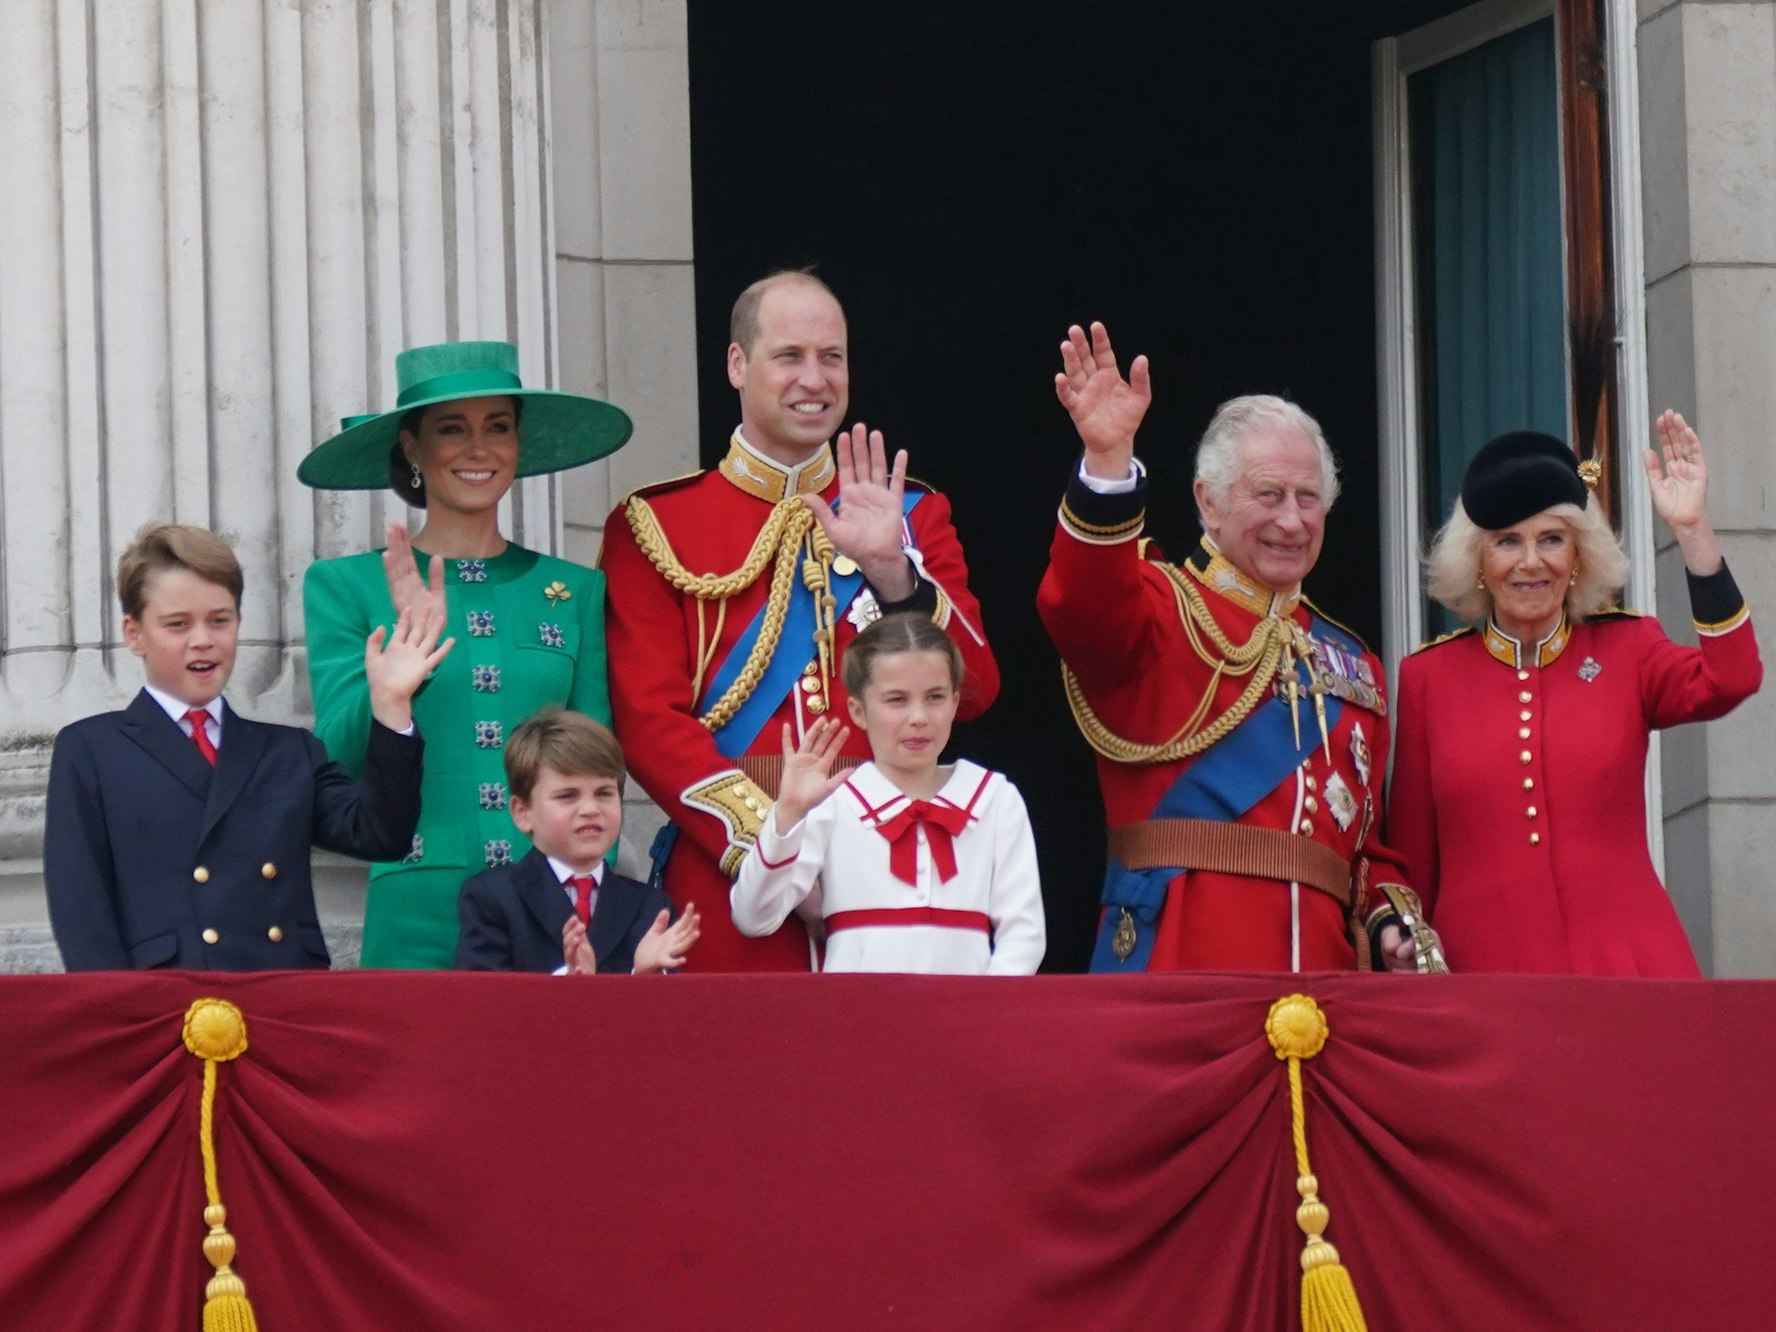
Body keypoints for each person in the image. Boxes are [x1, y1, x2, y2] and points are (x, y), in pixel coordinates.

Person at [601, 270, 999, 972]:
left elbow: (975, 691)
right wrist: (775, 850)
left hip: (897, 868)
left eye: (831, 357)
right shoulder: (655, 524)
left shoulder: (911, 514)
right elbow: (648, 725)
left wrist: (894, 575)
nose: (814, 379)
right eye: (789, 356)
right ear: (737, 364)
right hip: (730, 883)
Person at [1037, 322, 1437, 973]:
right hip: (1179, 965)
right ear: (1209, 502)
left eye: (1308, 498)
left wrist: (1390, 921)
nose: (1291, 519)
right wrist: (1107, 462)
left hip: (1324, 988)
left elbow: (1363, 853)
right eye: (1268, 495)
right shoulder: (1157, 611)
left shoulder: (1353, 664)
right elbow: (1081, 600)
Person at [299, 340, 632, 968]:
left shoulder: (576, 590)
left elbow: (601, 762)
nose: (479, 449)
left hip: (552, 902)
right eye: (452, 429)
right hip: (418, 903)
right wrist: (398, 681)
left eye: (498, 427)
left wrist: (590, 885)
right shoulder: (346, 585)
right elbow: (336, 759)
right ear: (412, 448)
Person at [1389, 415, 1761, 976]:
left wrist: (1692, 532)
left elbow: (1732, 677)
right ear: (1479, 562)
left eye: (1551, 539)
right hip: (1482, 979)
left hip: (1629, 970)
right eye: (1507, 541)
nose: (1530, 562)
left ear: (1578, 555)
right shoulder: (1429, 677)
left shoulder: (1629, 648)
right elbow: (1411, 859)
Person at [46, 524, 449, 971]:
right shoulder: (92, 750)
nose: (203, 639)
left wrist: (391, 703)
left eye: (219, 620)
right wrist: (121, 1011)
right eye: (178, 624)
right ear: (134, 633)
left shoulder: (289, 751)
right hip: (166, 1001)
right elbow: (82, 912)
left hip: (281, 996)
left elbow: (381, 835)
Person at [731, 614, 1044, 973]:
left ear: (955, 703)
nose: (918, 717)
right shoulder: (833, 803)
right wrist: (787, 814)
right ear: (858, 711)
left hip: (966, 1006)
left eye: (935, 697)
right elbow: (753, 917)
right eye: (897, 700)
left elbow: (1024, 934)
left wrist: (983, 1004)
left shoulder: (996, 799)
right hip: (857, 1007)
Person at [455, 709, 700, 974]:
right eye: (568, 796)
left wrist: (640, 977)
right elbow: (481, 994)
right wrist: (568, 983)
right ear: (523, 812)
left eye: (604, 793)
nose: (590, 809)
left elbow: (669, 999)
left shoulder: (651, 906)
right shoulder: (492, 898)